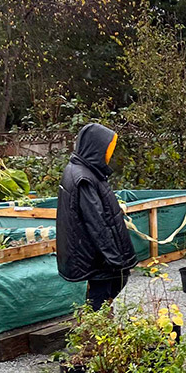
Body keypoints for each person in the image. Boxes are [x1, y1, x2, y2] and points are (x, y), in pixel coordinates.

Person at [56, 122, 138, 309]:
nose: (109, 154)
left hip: (95, 255)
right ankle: (95, 332)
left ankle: (99, 327)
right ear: (96, 147)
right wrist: (115, 258)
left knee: (109, 288)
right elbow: (96, 223)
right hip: (97, 257)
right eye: (108, 149)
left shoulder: (84, 171)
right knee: (101, 296)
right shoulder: (84, 178)